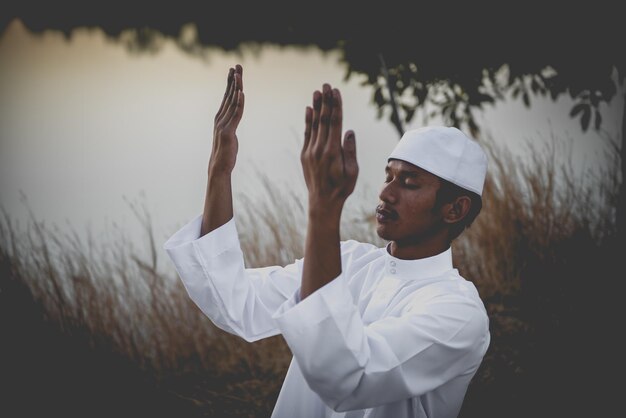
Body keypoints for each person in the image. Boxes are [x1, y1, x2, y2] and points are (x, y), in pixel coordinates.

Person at [164, 64, 490, 418]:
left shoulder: (459, 314)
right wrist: (219, 171)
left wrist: (323, 208)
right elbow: (235, 301)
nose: (386, 192)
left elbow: (348, 377)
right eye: (388, 175)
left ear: (455, 209)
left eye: (409, 182)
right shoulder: (348, 261)